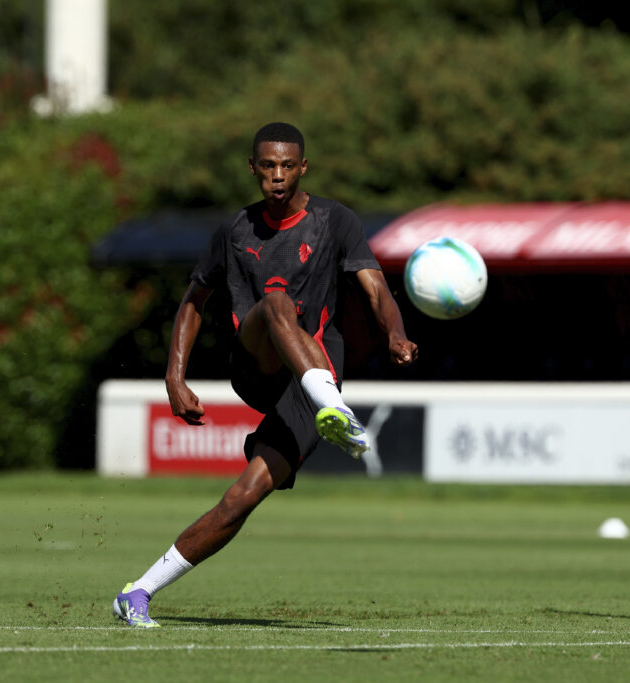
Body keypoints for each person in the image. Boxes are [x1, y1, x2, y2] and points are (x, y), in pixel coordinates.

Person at [113, 122, 418, 628]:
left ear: (303, 168)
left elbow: (376, 289)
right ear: (253, 168)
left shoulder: (335, 221)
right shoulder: (234, 232)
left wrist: (395, 333)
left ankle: (138, 591)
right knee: (277, 301)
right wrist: (174, 378)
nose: (277, 176)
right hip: (256, 362)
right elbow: (194, 302)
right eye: (267, 166)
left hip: (310, 382)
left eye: (287, 166)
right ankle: (334, 410)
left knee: (241, 499)